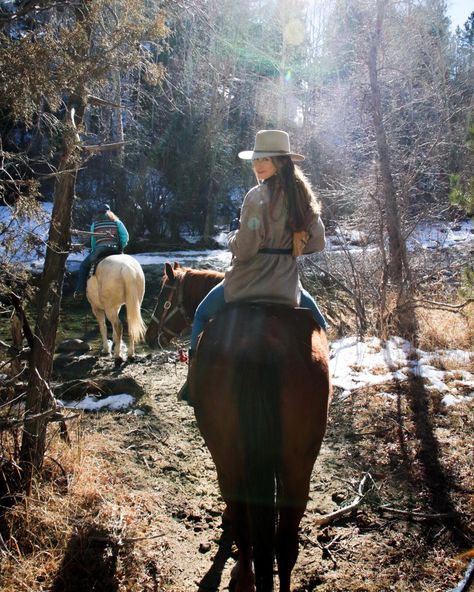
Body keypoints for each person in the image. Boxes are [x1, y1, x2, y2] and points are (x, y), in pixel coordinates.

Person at [178, 129, 327, 401]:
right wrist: (288, 248)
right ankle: (328, 384)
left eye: (265, 160)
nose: (258, 166)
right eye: (255, 160)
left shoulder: (256, 197)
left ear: (280, 162)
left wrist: (233, 239)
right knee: (320, 323)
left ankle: (192, 381)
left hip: (244, 285)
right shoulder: (303, 198)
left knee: (200, 313)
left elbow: (245, 251)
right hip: (286, 288)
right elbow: (318, 243)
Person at [74, 204, 129, 300]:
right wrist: (121, 246)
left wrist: (95, 251)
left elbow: (93, 242)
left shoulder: (95, 225)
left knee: (83, 266)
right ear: (110, 212)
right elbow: (125, 236)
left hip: (100, 250)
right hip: (115, 249)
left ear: (98, 213)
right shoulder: (117, 222)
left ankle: (80, 291)